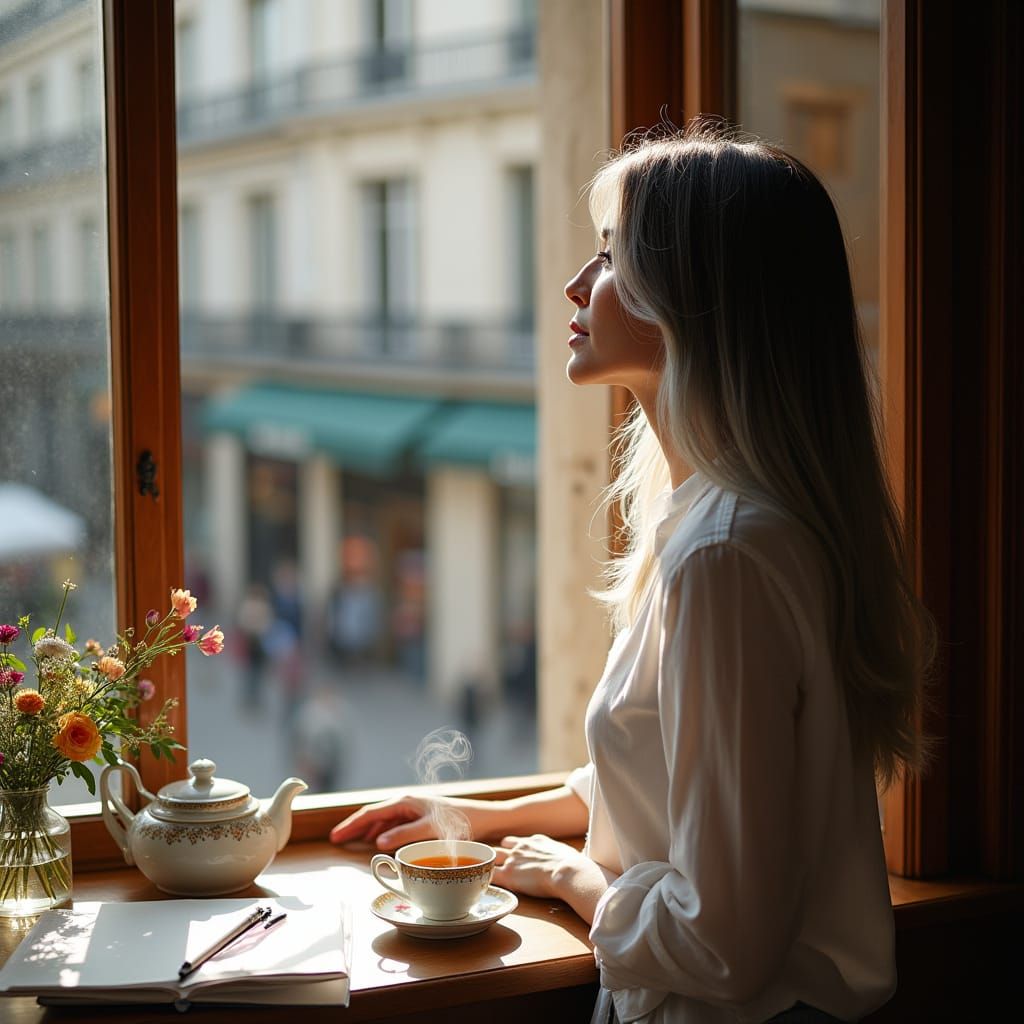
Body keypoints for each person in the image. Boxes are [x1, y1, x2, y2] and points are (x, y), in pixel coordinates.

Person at [329, 122, 935, 1024]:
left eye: (611, 257)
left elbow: (720, 945)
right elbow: (657, 776)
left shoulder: (727, 556)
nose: (577, 283)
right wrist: (478, 820)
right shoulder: (719, 524)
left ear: (695, 298)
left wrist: (574, 879)